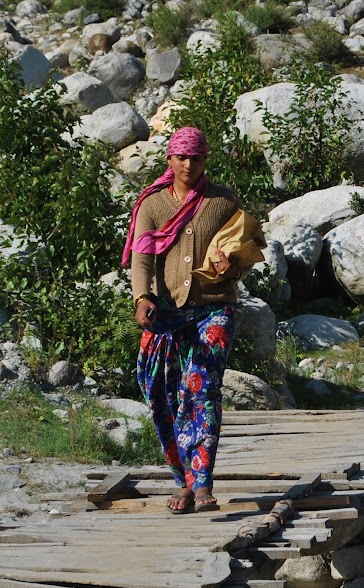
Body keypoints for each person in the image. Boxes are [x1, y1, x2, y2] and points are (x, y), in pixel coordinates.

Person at [122, 126, 261, 514]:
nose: (188, 164)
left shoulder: (222, 201)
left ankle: (202, 484)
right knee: (160, 391)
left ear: (205, 161)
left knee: (199, 387)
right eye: (181, 157)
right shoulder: (152, 204)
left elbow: (243, 248)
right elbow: (142, 259)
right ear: (169, 159)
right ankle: (181, 478)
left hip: (216, 308)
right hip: (167, 312)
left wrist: (231, 266)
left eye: (196, 158)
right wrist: (142, 296)